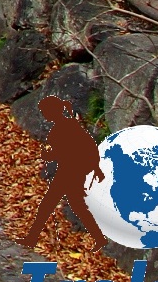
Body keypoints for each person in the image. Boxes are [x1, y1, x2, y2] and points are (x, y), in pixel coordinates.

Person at [24, 95, 104, 247]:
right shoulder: (63, 126)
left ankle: (32, 237)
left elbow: (78, 149)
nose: (45, 115)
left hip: (71, 171)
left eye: (46, 111)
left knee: (57, 204)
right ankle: (99, 238)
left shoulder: (67, 126)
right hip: (68, 170)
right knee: (69, 205)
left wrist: (95, 168)